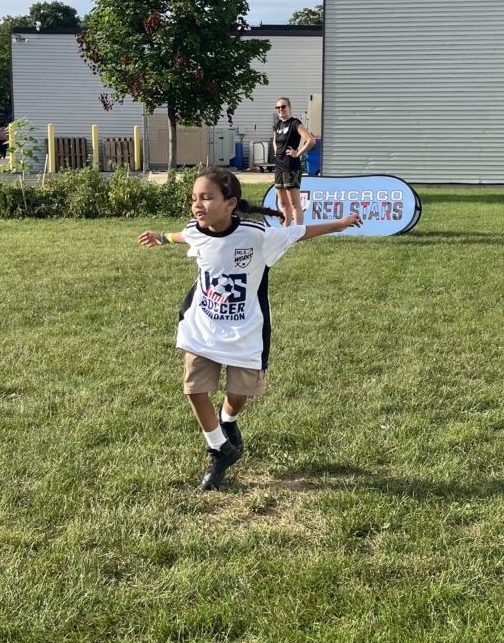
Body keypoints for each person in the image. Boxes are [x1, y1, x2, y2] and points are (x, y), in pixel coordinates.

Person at [138, 166, 362, 491]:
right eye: (193, 198)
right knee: (195, 390)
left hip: (245, 332)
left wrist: (339, 225)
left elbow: (297, 233)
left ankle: (227, 421)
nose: (197, 205)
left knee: (238, 396)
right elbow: (185, 235)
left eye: (206, 197)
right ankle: (219, 448)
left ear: (230, 204)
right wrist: (161, 237)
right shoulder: (196, 229)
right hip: (202, 326)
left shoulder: (256, 236)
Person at [272, 97, 315, 227]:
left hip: (291, 167)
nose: (280, 110)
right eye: (278, 108)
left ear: (289, 108)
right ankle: (286, 233)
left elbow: (310, 141)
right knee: (283, 204)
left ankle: (298, 234)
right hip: (279, 167)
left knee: (294, 203)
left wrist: (298, 154)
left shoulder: (295, 123)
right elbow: (275, 141)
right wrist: (276, 152)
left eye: (283, 107)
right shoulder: (278, 125)